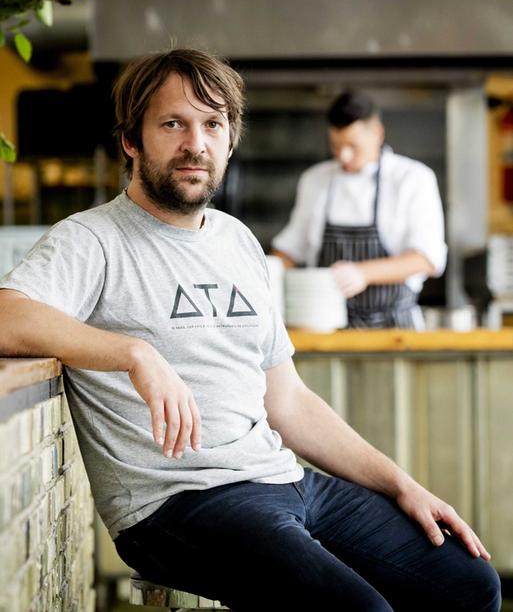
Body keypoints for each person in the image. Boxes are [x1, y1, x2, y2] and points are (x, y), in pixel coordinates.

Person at [0, 49, 499, 612]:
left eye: (213, 124)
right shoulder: (92, 239)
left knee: (470, 584)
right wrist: (133, 352)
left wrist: (400, 484)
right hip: (176, 504)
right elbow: (6, 314)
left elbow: (286, 400)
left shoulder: (238, 242)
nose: (197, 144)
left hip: (281, 479)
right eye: (173, 124)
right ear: (131, 142)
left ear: (231, 140)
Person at [272, 90, 447, 329]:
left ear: (377, 133)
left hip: (395, 330)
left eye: (353, 146)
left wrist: (363, 273)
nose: (343, 156)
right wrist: (266, 272)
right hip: (326, 328)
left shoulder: (412, 178)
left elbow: (427, 259)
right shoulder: (315, 180)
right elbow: (290, 250)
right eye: (336, 146)